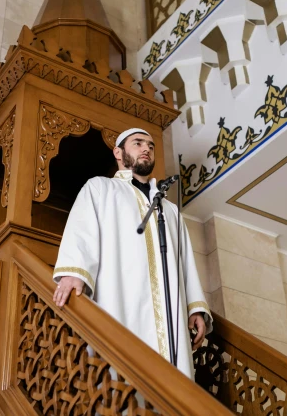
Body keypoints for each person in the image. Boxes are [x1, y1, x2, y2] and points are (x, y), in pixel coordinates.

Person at [52, 127, 212, 378]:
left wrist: (194, 307)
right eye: (137, 143)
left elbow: (185, 262)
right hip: (121, 301)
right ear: (118, 152)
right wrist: (74, 273)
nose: (146, 148)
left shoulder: (170, 210)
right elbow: (81, 232)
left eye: (150, 145)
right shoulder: (100, 189)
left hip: (171, 310)